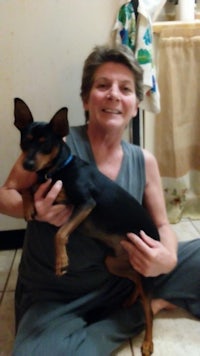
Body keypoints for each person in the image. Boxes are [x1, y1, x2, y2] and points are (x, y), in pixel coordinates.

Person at [0, 44, 199, 356]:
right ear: (85, 100)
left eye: (126, 89)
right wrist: (35, 211)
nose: (114, 95)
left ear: (136, 104)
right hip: (57, 293)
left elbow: (162, 224)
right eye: (102, 85)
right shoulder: (54, 146)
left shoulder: (143, 160)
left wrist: (168, 258)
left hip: (119, 275)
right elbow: (5, 194)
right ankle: (139, 313)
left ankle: (137, 299)